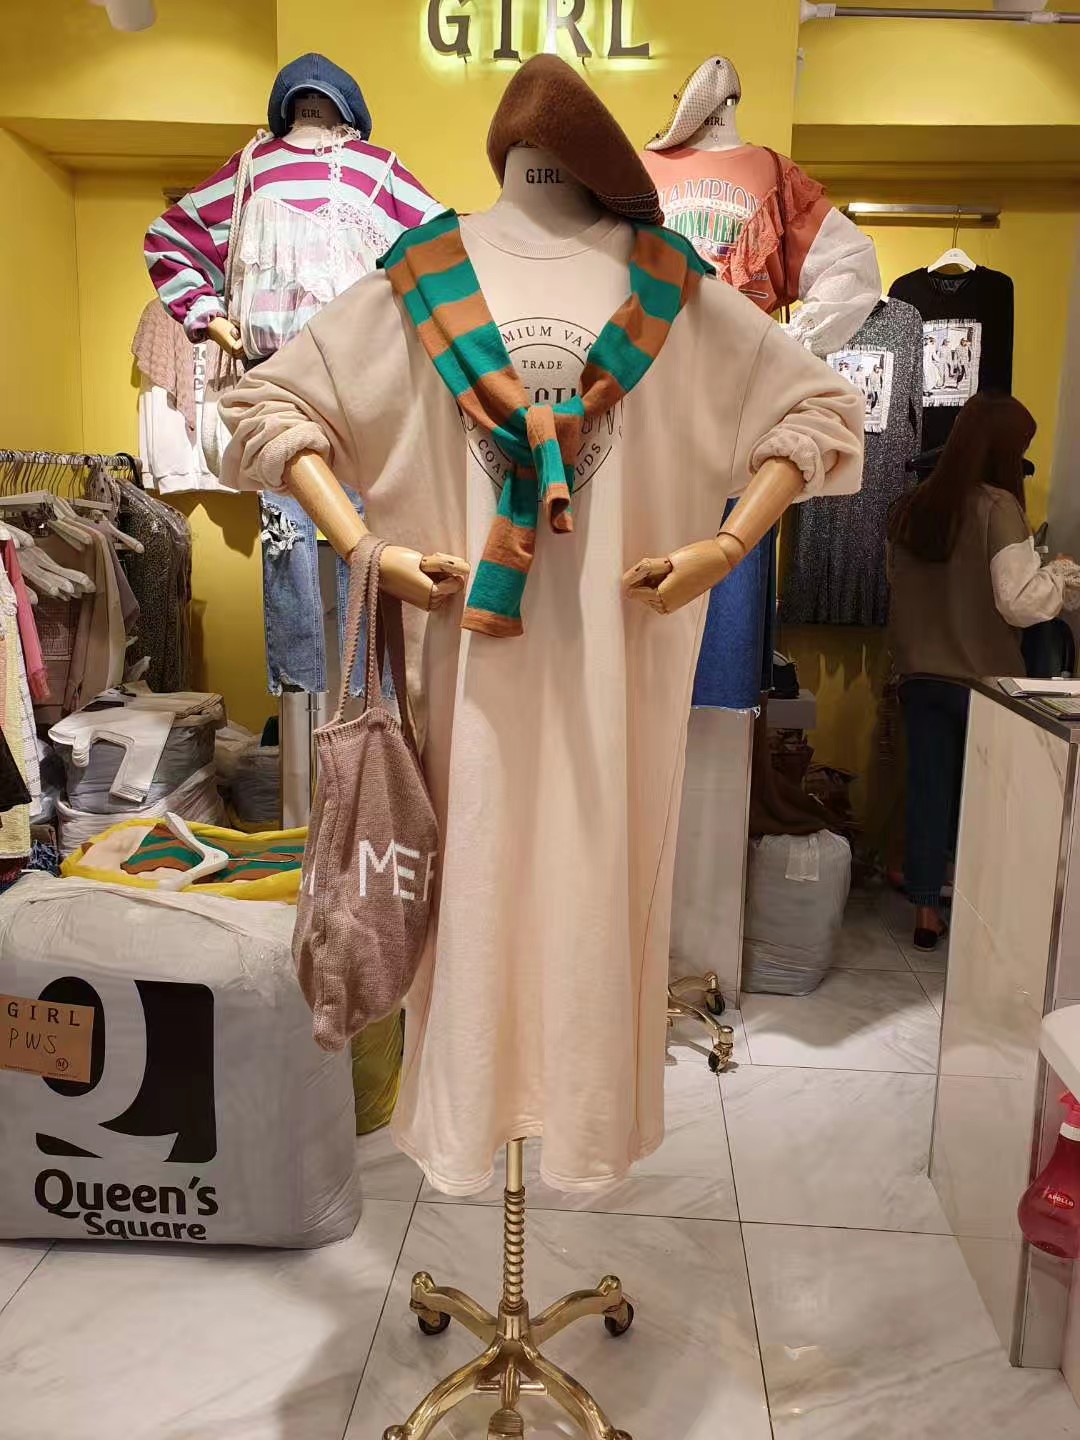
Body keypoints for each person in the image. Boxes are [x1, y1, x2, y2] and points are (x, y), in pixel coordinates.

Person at [887, 393, 1077, 950]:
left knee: (928, 794)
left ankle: (926, 913)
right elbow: (1017, 602)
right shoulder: (998, 507)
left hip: (920, 676)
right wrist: (1062, 577)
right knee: (985, 801)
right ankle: (980, 915)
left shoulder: (912, 506)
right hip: (984, 683)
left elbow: (899, 587)